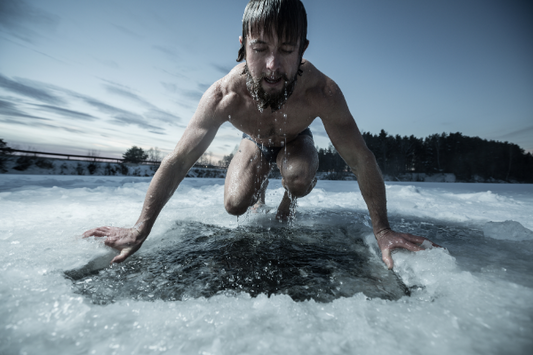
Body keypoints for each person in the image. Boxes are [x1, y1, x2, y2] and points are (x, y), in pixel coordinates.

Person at [83, 0, 440, 269]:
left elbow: (361, 159)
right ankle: (260, 179)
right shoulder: (225, 95)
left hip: (296, 141)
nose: (272, 66)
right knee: (235, 205)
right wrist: (140, 228)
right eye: (260, 49)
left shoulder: (321, 92)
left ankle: (288, 196)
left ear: (303, 49)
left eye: (286, 50)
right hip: (254, 141)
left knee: (297, 179)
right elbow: (178, 161)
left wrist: (382, 231)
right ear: (243, 45)